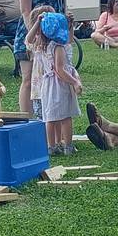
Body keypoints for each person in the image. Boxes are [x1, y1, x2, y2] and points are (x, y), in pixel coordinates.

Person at [15, 0, 66, 113]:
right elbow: (25, 9)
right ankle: (27, 119)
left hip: (54, 31)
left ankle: (51, 117)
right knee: (28, 78)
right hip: (32, 29)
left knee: (53, 75)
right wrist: (35, 35)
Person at [35, 12, 82, 155]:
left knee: (50, 117)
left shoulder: (43, 45)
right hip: (59, 86)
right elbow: (60, 70)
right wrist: (75, 82)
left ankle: (52, 146)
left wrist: (70, 25)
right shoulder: (58, 48)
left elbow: (69, 40)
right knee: (65, 116)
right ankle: (68, 146)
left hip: (47, 85)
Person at [25, 5, 53, 121]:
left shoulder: (56, 41)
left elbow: (69, 41)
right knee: (41, 116)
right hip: (39, 88)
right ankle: (44, 136)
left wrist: (70, 25)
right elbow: (28, 40)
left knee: (55, 114)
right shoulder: (37, 43)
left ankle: (57, 136)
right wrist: (38, 22)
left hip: (53, 86)